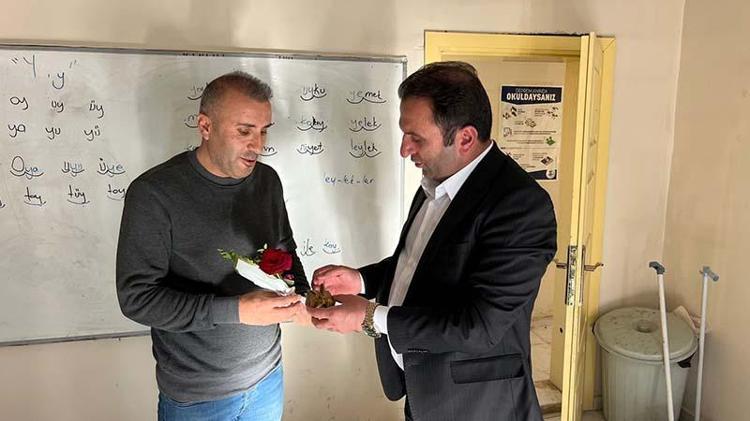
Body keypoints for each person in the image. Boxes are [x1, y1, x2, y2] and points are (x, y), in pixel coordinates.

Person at [308, 62, 557, 421]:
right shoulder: (435, 182)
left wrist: (370, 317)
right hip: (421, 389)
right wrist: (362, 280)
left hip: (476, 406)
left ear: (465, 138)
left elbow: (479, 325)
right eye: (404, 134)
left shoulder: (521, 206)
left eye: (416, 138)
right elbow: (417, 262)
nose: (404, 149)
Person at [116, 71, 309, 421]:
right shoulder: (154, 194)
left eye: (264, 131)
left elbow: (284, 249)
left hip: (268, 379)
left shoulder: (267, 181)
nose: (258, 145)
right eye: (244, 131)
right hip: (197, 398)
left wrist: (305, 298)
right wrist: (235, 310)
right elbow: (137, 298)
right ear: (205, 126)